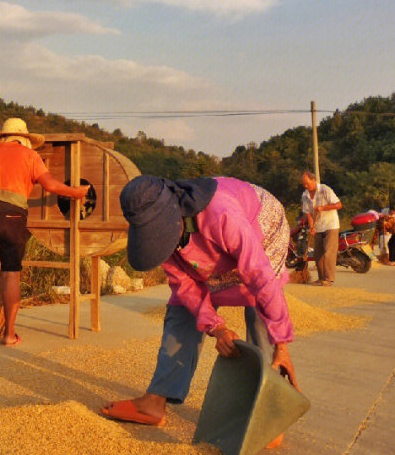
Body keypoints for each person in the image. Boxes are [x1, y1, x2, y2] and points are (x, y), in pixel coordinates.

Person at [100, 175, 299, 437]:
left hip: (261, 223)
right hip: (211, 244)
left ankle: (266, 408)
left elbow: (260, 275)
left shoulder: (222, 214)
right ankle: (155, 401)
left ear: (176, 216)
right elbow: (184, 286)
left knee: (257, 300)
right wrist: (216, 328)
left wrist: (281, 344)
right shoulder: (158, 235)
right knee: (182, 306)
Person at [0, 117, 89, 347]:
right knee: (11, 272)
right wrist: (77, 193)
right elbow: (51, 186)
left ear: (4, 137)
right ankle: (9, 335)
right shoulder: (30, 156)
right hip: (11, 215)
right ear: (24, 139)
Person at [300, 171, 342, 286]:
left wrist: (323, 208)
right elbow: (308, 213)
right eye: (304, 184)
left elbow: (338, 205)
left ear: (313, 180)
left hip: (330, 224)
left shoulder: (325, 189)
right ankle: (321, 278)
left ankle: (329, 279)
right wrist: (311, 227)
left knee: (329, 252)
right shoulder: (305, 195)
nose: (306, 186)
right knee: (318, 253)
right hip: (318, 226)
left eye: (307, 183)